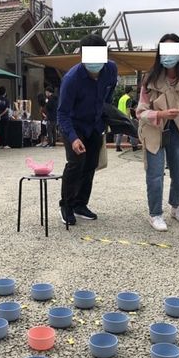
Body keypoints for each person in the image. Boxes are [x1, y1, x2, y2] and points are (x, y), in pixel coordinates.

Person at [136, 33, 179, 232]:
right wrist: (161, 113)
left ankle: (176, 205)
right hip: (155, 128)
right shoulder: (150, 78)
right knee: (155, 173)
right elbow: (141, 111)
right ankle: (155, 214)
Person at [57, 34, 118, 225]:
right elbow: (62, 113)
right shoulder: (71, 79)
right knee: (76, 163)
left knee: (91, 164)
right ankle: (66, 205)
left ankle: (80, 204)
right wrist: (73, 138)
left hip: (95, 125)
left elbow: (109, 92)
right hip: (74, 125)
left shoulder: (110, 69)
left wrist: (105, 113)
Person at [115, 86, 139, 152]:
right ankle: (134, 146)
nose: (132, 93)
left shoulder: (121, 98)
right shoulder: (128, 99)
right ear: (130, 91)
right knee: (131, 131)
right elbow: (127, 109)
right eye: (132, 92)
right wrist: (128, 119)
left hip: (119, 117)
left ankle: (117, 146)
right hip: (125, 117)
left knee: (120, 132)